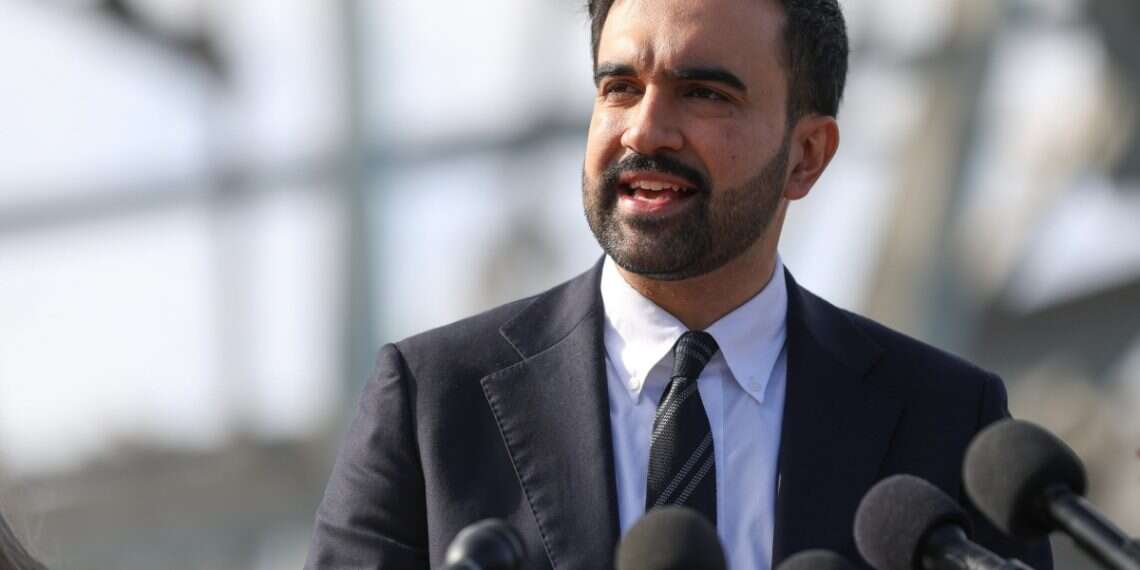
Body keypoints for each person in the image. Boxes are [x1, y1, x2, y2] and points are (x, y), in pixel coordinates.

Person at [306, 0, 1054, 568]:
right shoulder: (433, 401)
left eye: (704, 93)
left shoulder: (949, 420)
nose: (645, 131)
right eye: (620, 87)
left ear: (807, 155)